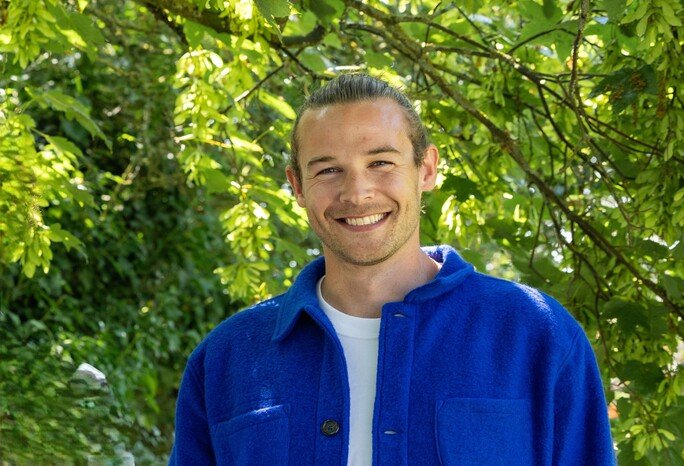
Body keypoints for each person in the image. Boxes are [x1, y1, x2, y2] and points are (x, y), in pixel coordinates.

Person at [169, 74, 615, 465]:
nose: (357, 193)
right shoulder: (226, 359)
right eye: (329, 170)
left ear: (426, 170)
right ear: (298, 186)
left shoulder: (536, 334)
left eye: (380, 163)